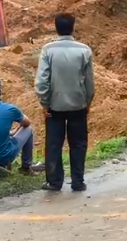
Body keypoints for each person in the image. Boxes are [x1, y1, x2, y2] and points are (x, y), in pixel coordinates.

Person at [34, 13, 95, 192]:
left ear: (56, 27)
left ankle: (54, 182)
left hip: (54, 106)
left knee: (53, 144)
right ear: (73, 27)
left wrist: (44, 103)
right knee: (78, 143)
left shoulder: (48, 50)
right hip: (78, 105)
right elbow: (89, 82)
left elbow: (42, 81)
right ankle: (78, 181)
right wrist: (88, 102)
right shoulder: (84, 50)